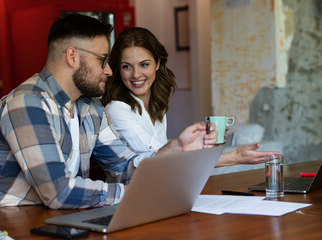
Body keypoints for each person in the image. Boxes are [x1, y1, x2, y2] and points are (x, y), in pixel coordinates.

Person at [0, 14, 218, 212]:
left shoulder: (91, 110)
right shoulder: (27, 104)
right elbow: (59, 192)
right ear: (72, 57)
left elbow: (127, 166)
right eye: (102, 60)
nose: (109, 71)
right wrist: (133, 193)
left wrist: (176, 148)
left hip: (47, 219)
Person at [102, 27, 281, 166]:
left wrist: (200, 143)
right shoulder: (116, 109)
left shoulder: (157, 105)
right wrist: (234, 157)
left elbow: (168, 155)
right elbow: (160, 158)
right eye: (127, 66)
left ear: (157, 63)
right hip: (129, 198)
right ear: (118, 69)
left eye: (144, 64)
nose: (136, 74)